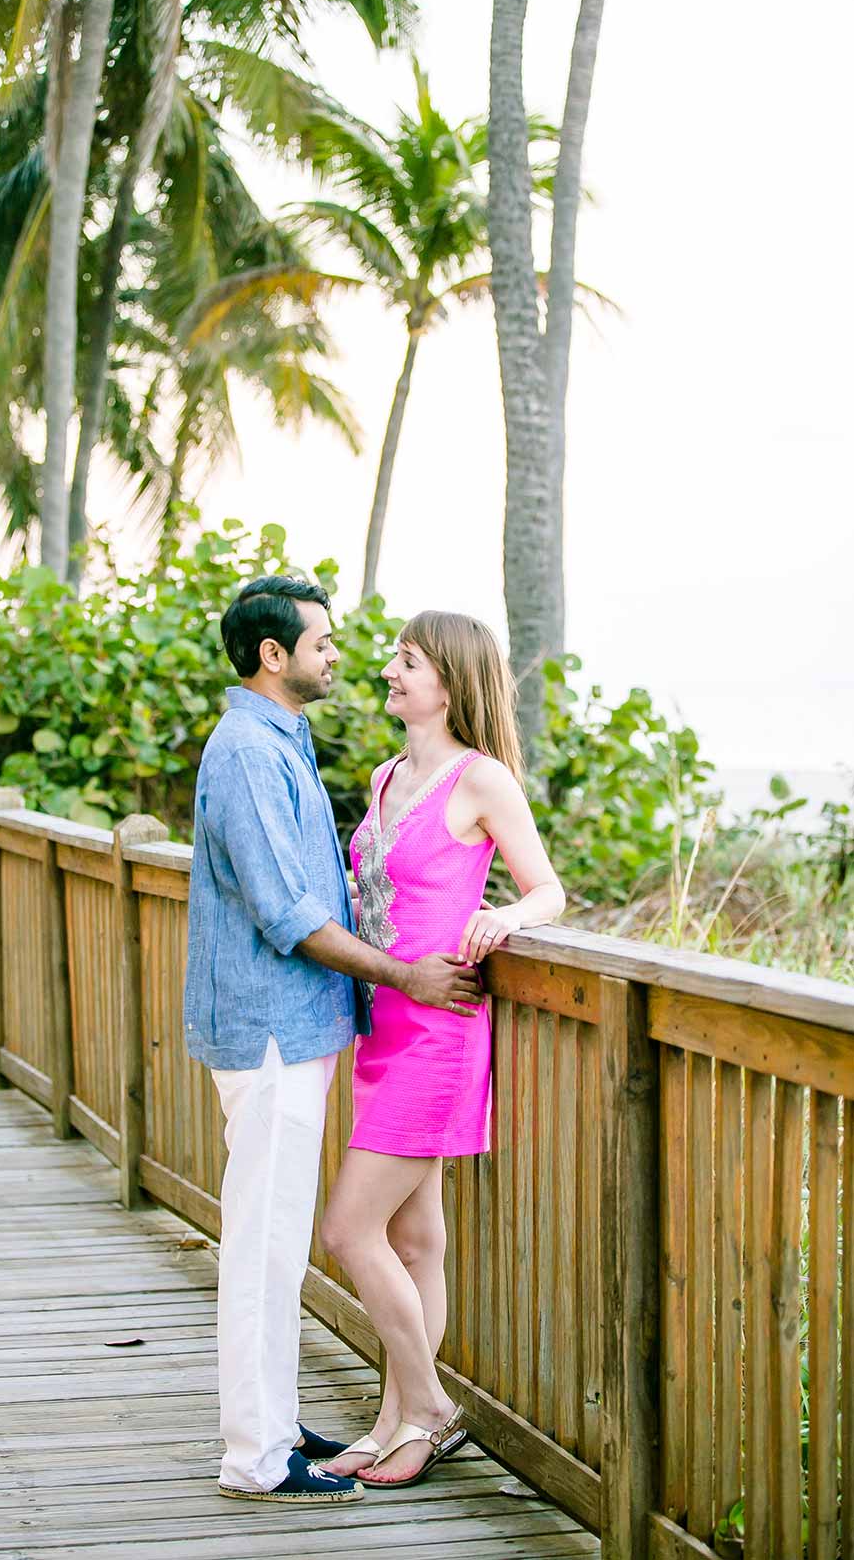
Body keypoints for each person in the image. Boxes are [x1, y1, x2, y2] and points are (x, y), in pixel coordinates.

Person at [184, 577, 484, 1505]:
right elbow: (288, 912)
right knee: (267, 1244)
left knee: (280, 1239)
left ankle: (274, 1425)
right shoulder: (245, 750)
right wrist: (403, 975)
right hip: (275, 1028)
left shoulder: (281, 741)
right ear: (274, 655)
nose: (336, 655)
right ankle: (258, 1456)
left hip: (302, 1026)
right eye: (321, 641)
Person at [318, 610, 566, 1489]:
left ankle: (428, 1403)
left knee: (348, 1228)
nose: (389, 670)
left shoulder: (482, 778)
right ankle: (394, 1426)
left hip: (440, 1032)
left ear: (451, 682)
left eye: (407, 660)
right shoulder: (387, 774)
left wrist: (504, 914)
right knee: (416, 1239)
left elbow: (549, 889)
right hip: (383, 1025)